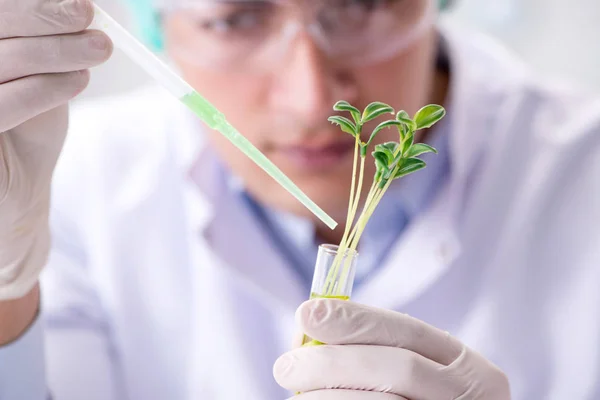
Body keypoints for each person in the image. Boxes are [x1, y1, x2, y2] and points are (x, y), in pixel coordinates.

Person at [1, 0, 599, 398]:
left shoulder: (583, 169)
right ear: (160, 23)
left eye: (359, 3)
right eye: (234, 18)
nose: (311, 100)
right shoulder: (71, 182)